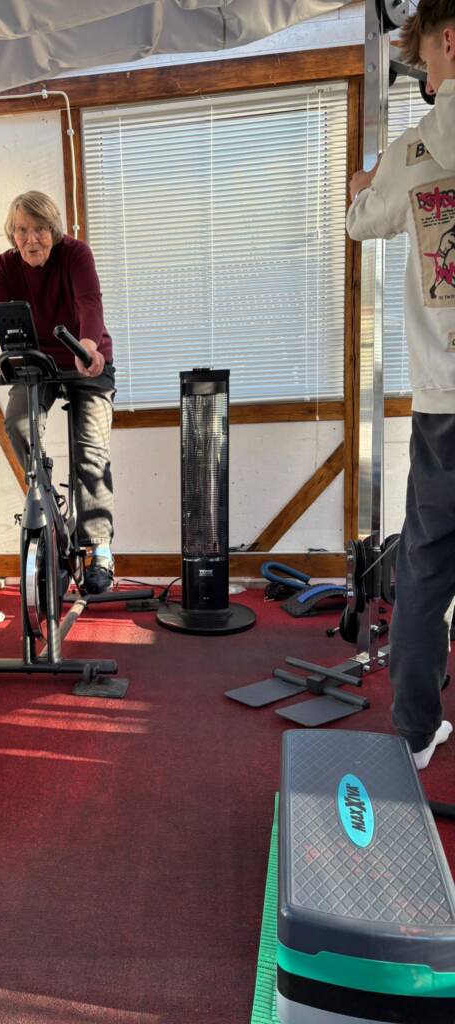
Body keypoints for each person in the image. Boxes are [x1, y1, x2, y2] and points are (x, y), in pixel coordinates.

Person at [346, 0, 455, 769]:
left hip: (444, 405)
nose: (424, 77)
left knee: (425, 567)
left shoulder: (413, 152)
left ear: (450, 39)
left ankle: (416, 734)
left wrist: (366, 181)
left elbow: (359, 220)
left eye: (426, 61)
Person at [0, 191, 117, 594]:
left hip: (85, 358)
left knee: (91, 450)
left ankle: (100, 550)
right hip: (37, 361)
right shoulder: (6, 266)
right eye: (22, 230)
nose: (31, 239)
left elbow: (89, 303)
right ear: (12, 233)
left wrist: (88, 347)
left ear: (53, 230)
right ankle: (46, 497)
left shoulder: (76, 255)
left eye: (39, 229)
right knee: (18, 422)